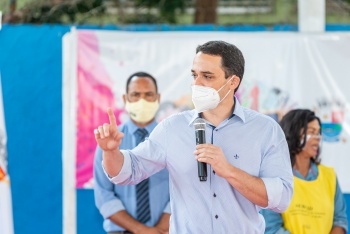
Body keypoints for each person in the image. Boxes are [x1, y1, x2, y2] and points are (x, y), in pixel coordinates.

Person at [94, 41, 294, 233]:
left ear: (233, 82)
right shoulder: (172, 128)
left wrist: (229, 171)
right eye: (194, 75)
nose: (196, 84)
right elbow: (128, 172)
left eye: (207, 76)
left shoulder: (265, 130)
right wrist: (111, 152)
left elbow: (282, 199)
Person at [93, 72, 170, 234]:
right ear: (125, 99)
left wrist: (161, 229)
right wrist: (141, 230)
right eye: (135, 95)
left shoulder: (171, 138)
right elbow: (104, 194)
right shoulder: (108, 142)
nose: (142, 100)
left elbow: (184, 188)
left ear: (158, 98)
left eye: (148, 94)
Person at [261, 109, 348, 234]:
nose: (318, 138)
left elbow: (340, 220)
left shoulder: (329, 176)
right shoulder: (274, 178)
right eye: (312, 132)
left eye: (318, 133)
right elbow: (272, 228)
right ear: (293, 133)